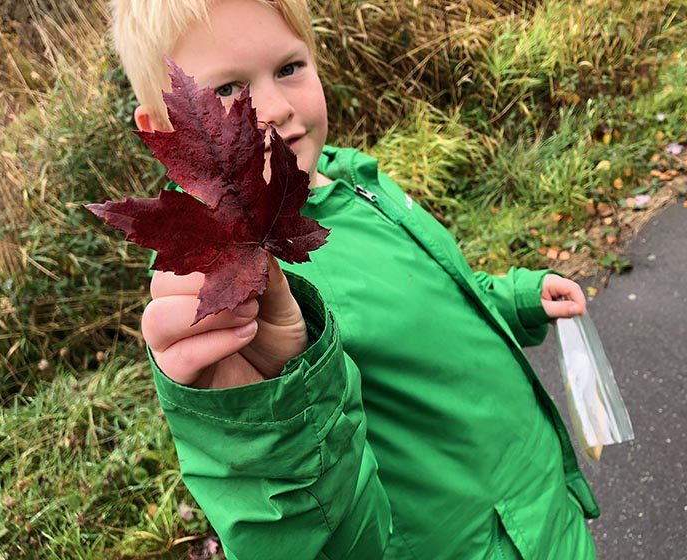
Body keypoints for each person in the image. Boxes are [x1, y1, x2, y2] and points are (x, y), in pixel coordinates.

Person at [110, 1, 600, 558]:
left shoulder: (350, 179)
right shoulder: (233, 287)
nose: (273, 107)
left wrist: (514, 299)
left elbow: (430, 299)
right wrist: (268, 418)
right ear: (166, 128)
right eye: (226, 91)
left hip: (546, 504)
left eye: (289, 68)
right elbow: (308, 528)